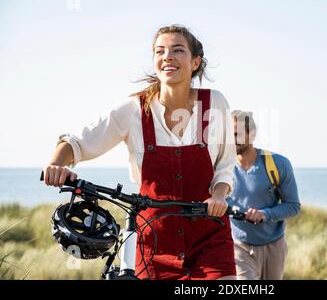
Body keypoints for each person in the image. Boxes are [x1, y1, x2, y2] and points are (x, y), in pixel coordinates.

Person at [42, 25, 237, 280]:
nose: (167, 56)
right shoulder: (135, 109)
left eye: (178, 50)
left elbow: (225, 165)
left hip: (209, 235)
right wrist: (57, 164)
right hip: (153, 240)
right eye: (160, 51)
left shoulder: (215, 103)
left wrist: (219, 196)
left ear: (195, 61)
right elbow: (79, 141)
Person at [226, 110, 300, 280]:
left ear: (251, 134)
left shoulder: (278, 164)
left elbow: (293, 206)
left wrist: (265, 214)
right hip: (239, 246)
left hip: (273, 245)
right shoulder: (222, 167)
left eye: (236, 134)